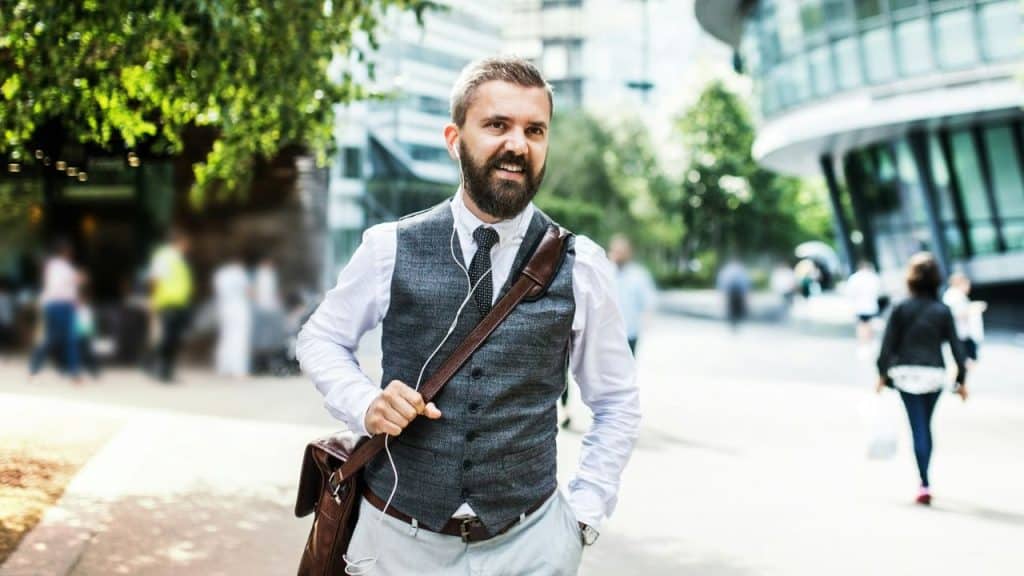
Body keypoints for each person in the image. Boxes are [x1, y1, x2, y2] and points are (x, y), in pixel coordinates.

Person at [296, 56, 640, 575]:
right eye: (497, 125)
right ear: (454, 139)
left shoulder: (582, 265)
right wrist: (365, 403)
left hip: (530, 548)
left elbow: (616, 401)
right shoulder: (389, 247)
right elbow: (320, 339)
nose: (518, 144)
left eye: (534, 130)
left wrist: (583, 517)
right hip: (395, 541)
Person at [876, 252, 968, 506]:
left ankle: (924, 482)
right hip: (934, 375)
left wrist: (881, 374)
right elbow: (957, 349)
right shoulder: (942, 310)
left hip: (905, 375)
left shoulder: (900, 307)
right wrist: (961, 381)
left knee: (917, 426)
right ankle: (925, 481)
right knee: (925, 426)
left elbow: (886, 347)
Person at [29, 239, 81, 382]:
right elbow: (63, 285)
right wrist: (77, 278)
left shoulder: (55, 266)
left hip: (57, 305)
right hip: (61, 305)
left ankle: (69, 371)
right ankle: (69, 370)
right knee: (63, 339)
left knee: (60, 339)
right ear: (65, 252)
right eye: (69, 251)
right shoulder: (61, 267)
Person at [148, 228, 193, 383]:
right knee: (167, 338)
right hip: (168, 303)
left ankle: (167, 371)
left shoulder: (179, 259)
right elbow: (155, 279)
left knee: (174, 339)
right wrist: (153, 299)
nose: (188, 246)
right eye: (186, 242)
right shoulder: (164, 257)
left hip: (179, 303)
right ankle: (159, 369)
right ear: (178, 242)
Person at [213, 254, 252, 378]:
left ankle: (223, 368)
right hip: (239, 308)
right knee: (240, 339)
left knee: (225, 338)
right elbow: (248, 291)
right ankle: (239, 370)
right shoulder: (239, 273)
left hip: (224, 308)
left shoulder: (221, 274)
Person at [943, 273, 985, 367]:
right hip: (960, 336)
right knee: (964, 364)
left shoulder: (956, 295)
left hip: (963, 335)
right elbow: (956, 314)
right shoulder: (954, 295)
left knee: (966, 364)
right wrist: (974, 308)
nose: (969, 287)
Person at [846, 260, 882, 349]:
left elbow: (850, 293)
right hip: (871, 305)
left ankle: (863, 343)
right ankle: (869, 342)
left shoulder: (854, 278)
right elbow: (878, 291)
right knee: (869, 324)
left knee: (861, 325)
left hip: (859, 306)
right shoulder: (873, 277)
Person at [716, 258, 750, 331]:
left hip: (731, 291)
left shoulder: (727, 270)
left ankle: (733, 322)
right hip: (738, 292)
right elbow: (745, 282)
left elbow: (722, 281)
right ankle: (736, 322)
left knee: (731, 307)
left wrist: (722, 292)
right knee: (737, 308)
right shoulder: (741, 270)